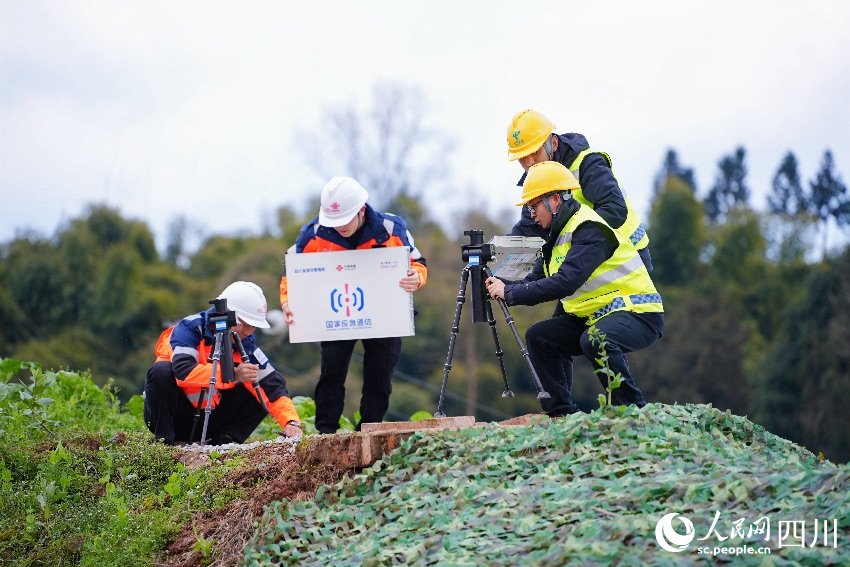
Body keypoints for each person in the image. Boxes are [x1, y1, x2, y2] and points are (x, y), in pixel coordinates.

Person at [485, 161, 663, 417]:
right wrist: (502, 285)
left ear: (555, 199)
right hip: (596, 316)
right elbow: (535, 279)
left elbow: (565, 282)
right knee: (540, 337)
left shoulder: (589, 227)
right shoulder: (556, 235)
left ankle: (632, 413)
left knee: (595, 340)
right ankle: (561, 416)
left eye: (534, 205)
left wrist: (510, 293)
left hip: (638, 312)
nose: (531, 214)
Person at [279, 176, 427, 434]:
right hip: (335, 314)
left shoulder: (392, 228)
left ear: (361, 210)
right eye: (333, 222)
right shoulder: (314, 234)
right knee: (331, 372)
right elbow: (291, 272)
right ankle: (325, 433)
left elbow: (417, 262)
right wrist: (287, 300)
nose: (339, 228)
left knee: (379, 377)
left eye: (344, 221)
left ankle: (368, 430)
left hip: (384, 313)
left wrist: (417, 277)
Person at [144, 281, 302, 445]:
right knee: (161, 371)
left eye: (253, 326)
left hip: (210, 419)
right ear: (226, 313)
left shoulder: (246, 344)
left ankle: (222, 443)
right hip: (174, 417)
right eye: (245, 324)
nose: (248, 331)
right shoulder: (189, 329)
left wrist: (291, 421)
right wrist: (232, 375)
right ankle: (164, 443)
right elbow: (182, 371)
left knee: (259, 385)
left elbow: (273, 387)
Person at [506, 108, 653, 272]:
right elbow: (529, 231)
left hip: (627, 259)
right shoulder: (536, 182)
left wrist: (570, 242)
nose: (530, 162)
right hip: (587, 265)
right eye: (522, 157)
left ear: (553, 143)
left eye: (535, 152)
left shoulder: (588, 164)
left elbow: (614, 210)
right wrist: (490, 256)